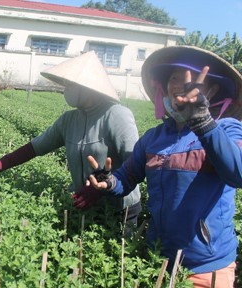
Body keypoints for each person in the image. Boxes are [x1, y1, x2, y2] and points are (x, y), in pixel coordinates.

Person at [81, 46, 242, 287]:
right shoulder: (153, 138)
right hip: (158, 260)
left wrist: (202, 121)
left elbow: (238, 173)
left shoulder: (227, 128)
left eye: (192, 78)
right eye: (174, 78)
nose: (180, 84)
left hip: (207, 267)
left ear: (212, 89)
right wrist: (109, 181)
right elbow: (128, 178)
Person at [0, 51, 141, 231]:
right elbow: (34, 148)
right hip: (84, 204)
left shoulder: (117, 115)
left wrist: (103, 186)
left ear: (88, 86)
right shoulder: (69, 120)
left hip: (120, 209)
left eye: (70, 85)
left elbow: (135, 161)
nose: (66, 90)